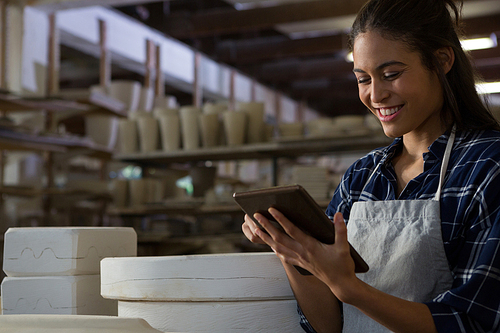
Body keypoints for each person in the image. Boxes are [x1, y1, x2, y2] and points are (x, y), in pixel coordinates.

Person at [241, 0, 500, 332]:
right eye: (363, 79)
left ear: (442, 60)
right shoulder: (362, 177)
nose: (375, 95)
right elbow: (329, 326)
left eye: (391, 74)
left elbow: (472, 323)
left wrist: (350, 288)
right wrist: (291, 250)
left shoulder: (488, 167)